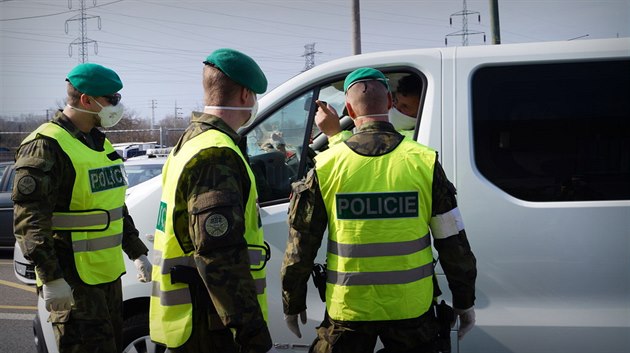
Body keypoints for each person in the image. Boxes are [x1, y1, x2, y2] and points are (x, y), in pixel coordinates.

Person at [280, 68, 477, 352]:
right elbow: (452, 240)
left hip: (348, 310)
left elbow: (301, 245)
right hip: (412, 308)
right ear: (389, 103)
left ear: (348, 108)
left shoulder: (326, 165)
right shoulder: (424, 161)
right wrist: (464, 300)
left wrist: (293, 301)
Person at [12, 62, 152, 353]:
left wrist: (136, 251)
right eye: (111, 99)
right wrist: (51, 278)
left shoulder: (99, 144)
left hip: (107, 276)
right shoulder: (46, 145)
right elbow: (29, 219)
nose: (117, 105)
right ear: (87, 99)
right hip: (72, 279)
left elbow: (113, 205)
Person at [149, 48, 277, 353]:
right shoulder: (216, 153)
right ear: (246, 95)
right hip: (209, 325)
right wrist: (252, 334)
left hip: (194, 315)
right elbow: (219, 256)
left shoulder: (191, 140)